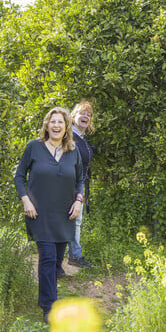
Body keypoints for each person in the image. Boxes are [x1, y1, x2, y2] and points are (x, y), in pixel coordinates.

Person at [14, 107, 84, 322]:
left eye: (60, 123)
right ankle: (49, 307)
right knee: (48, 258)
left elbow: (81, 179)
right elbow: (19, 176)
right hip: (39, 214)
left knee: (56, 263)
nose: (56, 126)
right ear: (47, 125)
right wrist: (26, 200)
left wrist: (79, 201)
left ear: (66, 128)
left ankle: (45, 296)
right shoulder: (34, 148)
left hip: (65, 215)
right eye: (52, 122)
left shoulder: (73, 151)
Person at [65, 99, 95, 270]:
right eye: (82, 113)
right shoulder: (69, 136)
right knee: (70, 220)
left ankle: (74, 255)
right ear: (73, 116)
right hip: (68, 186)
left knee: (75, 221)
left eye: (89, 115)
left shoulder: (82, 138)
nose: (86, 116)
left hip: (80, 185)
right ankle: (74, 256)